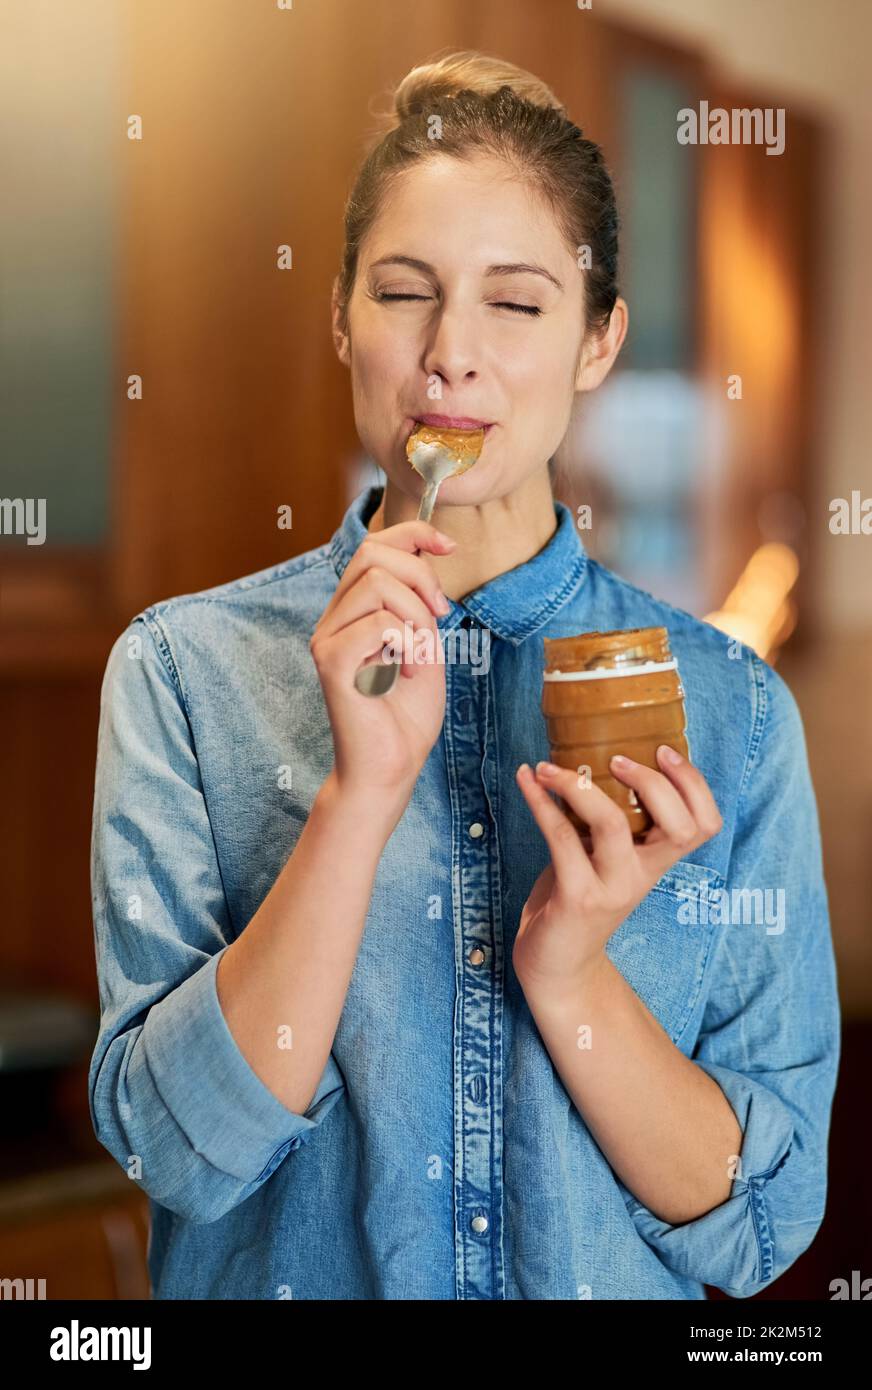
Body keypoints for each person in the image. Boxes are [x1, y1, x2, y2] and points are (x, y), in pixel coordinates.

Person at [89, 50, 840, 1300]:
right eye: (402, 293)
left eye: (516, 302)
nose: (450, 356)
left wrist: (567, 967)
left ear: (597, 340)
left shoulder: (733, 711)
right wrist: (354, 803)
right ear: (338, 315)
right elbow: (177, 1154)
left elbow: (759, 1227)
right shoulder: (182, 674)